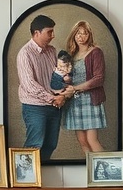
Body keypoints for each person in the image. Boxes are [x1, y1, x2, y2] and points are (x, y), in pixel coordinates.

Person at [16, 15, 74, 163]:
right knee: (34, 145)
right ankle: (25, 182)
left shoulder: (51, 51)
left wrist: (62, 95)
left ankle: (38, 179)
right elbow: (29, 84)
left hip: (54, 106)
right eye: (49, 32)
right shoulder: (25, 53)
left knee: (50, 145)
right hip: (35, 107)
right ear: (37, 33)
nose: (53, 36)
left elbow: (57, 77)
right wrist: (53, 99)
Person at [62, 20, 107, 154]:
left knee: (92, 140)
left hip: (90, 100)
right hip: (74, 102)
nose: (81, 37)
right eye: (78, 34)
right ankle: (91, 171)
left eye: (84, 34)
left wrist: (76, 88)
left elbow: (99, 79)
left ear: (90, 35)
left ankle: (106, 173)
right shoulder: (71, 55)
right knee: (82, 141)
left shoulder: (96, 52)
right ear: (74, 35)